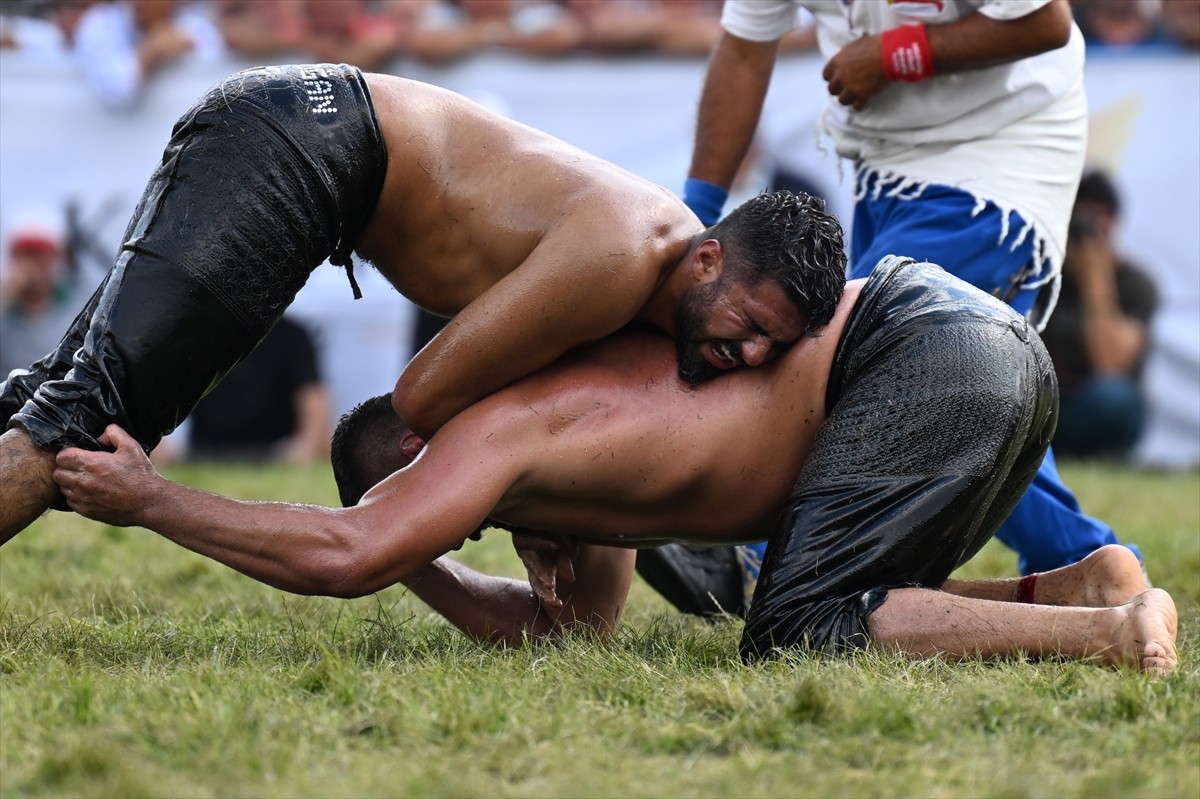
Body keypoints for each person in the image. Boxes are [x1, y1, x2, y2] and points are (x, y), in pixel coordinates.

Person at [51, 256, 1179, 676]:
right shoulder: (555, 456)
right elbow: (567, 632)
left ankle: (1112, 635)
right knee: (813, 600)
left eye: (428, 507)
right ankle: (1077, 585)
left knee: (797, 625)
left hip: (921, 347)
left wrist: (154, 500)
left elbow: (347, 551)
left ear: (418, 464)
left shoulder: (501, 429)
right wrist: (423, 564)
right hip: (970, 342)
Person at [0, 64, 828, 541]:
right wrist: (520, 494)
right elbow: (421, 401)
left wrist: (551, 504)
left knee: (49, 393)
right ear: (707, 260)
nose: (751, 355)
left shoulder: (645, 299)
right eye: (749, 325)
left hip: (305, 136)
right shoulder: (620, 259)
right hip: (307, 139)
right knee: (82, 422)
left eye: (772, 348)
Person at [648, 0, 1139, 615]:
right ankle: (1090, 565)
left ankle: (753, 554)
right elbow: (745, 49)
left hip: (996, 161)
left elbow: (1046, 22)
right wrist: (698, 212)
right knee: (963, 399)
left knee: (857, 363)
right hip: (883, 164)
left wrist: (894, 53)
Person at [1040, 170, 1158, 459]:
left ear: (1114, 222)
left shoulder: (1135, 283)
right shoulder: (1040, 275)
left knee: (1114, 397)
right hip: (1047, 405)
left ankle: (1104, 456)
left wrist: (1096, 279)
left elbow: (1111, 365)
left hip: (1092, 407)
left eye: (1095, 218)